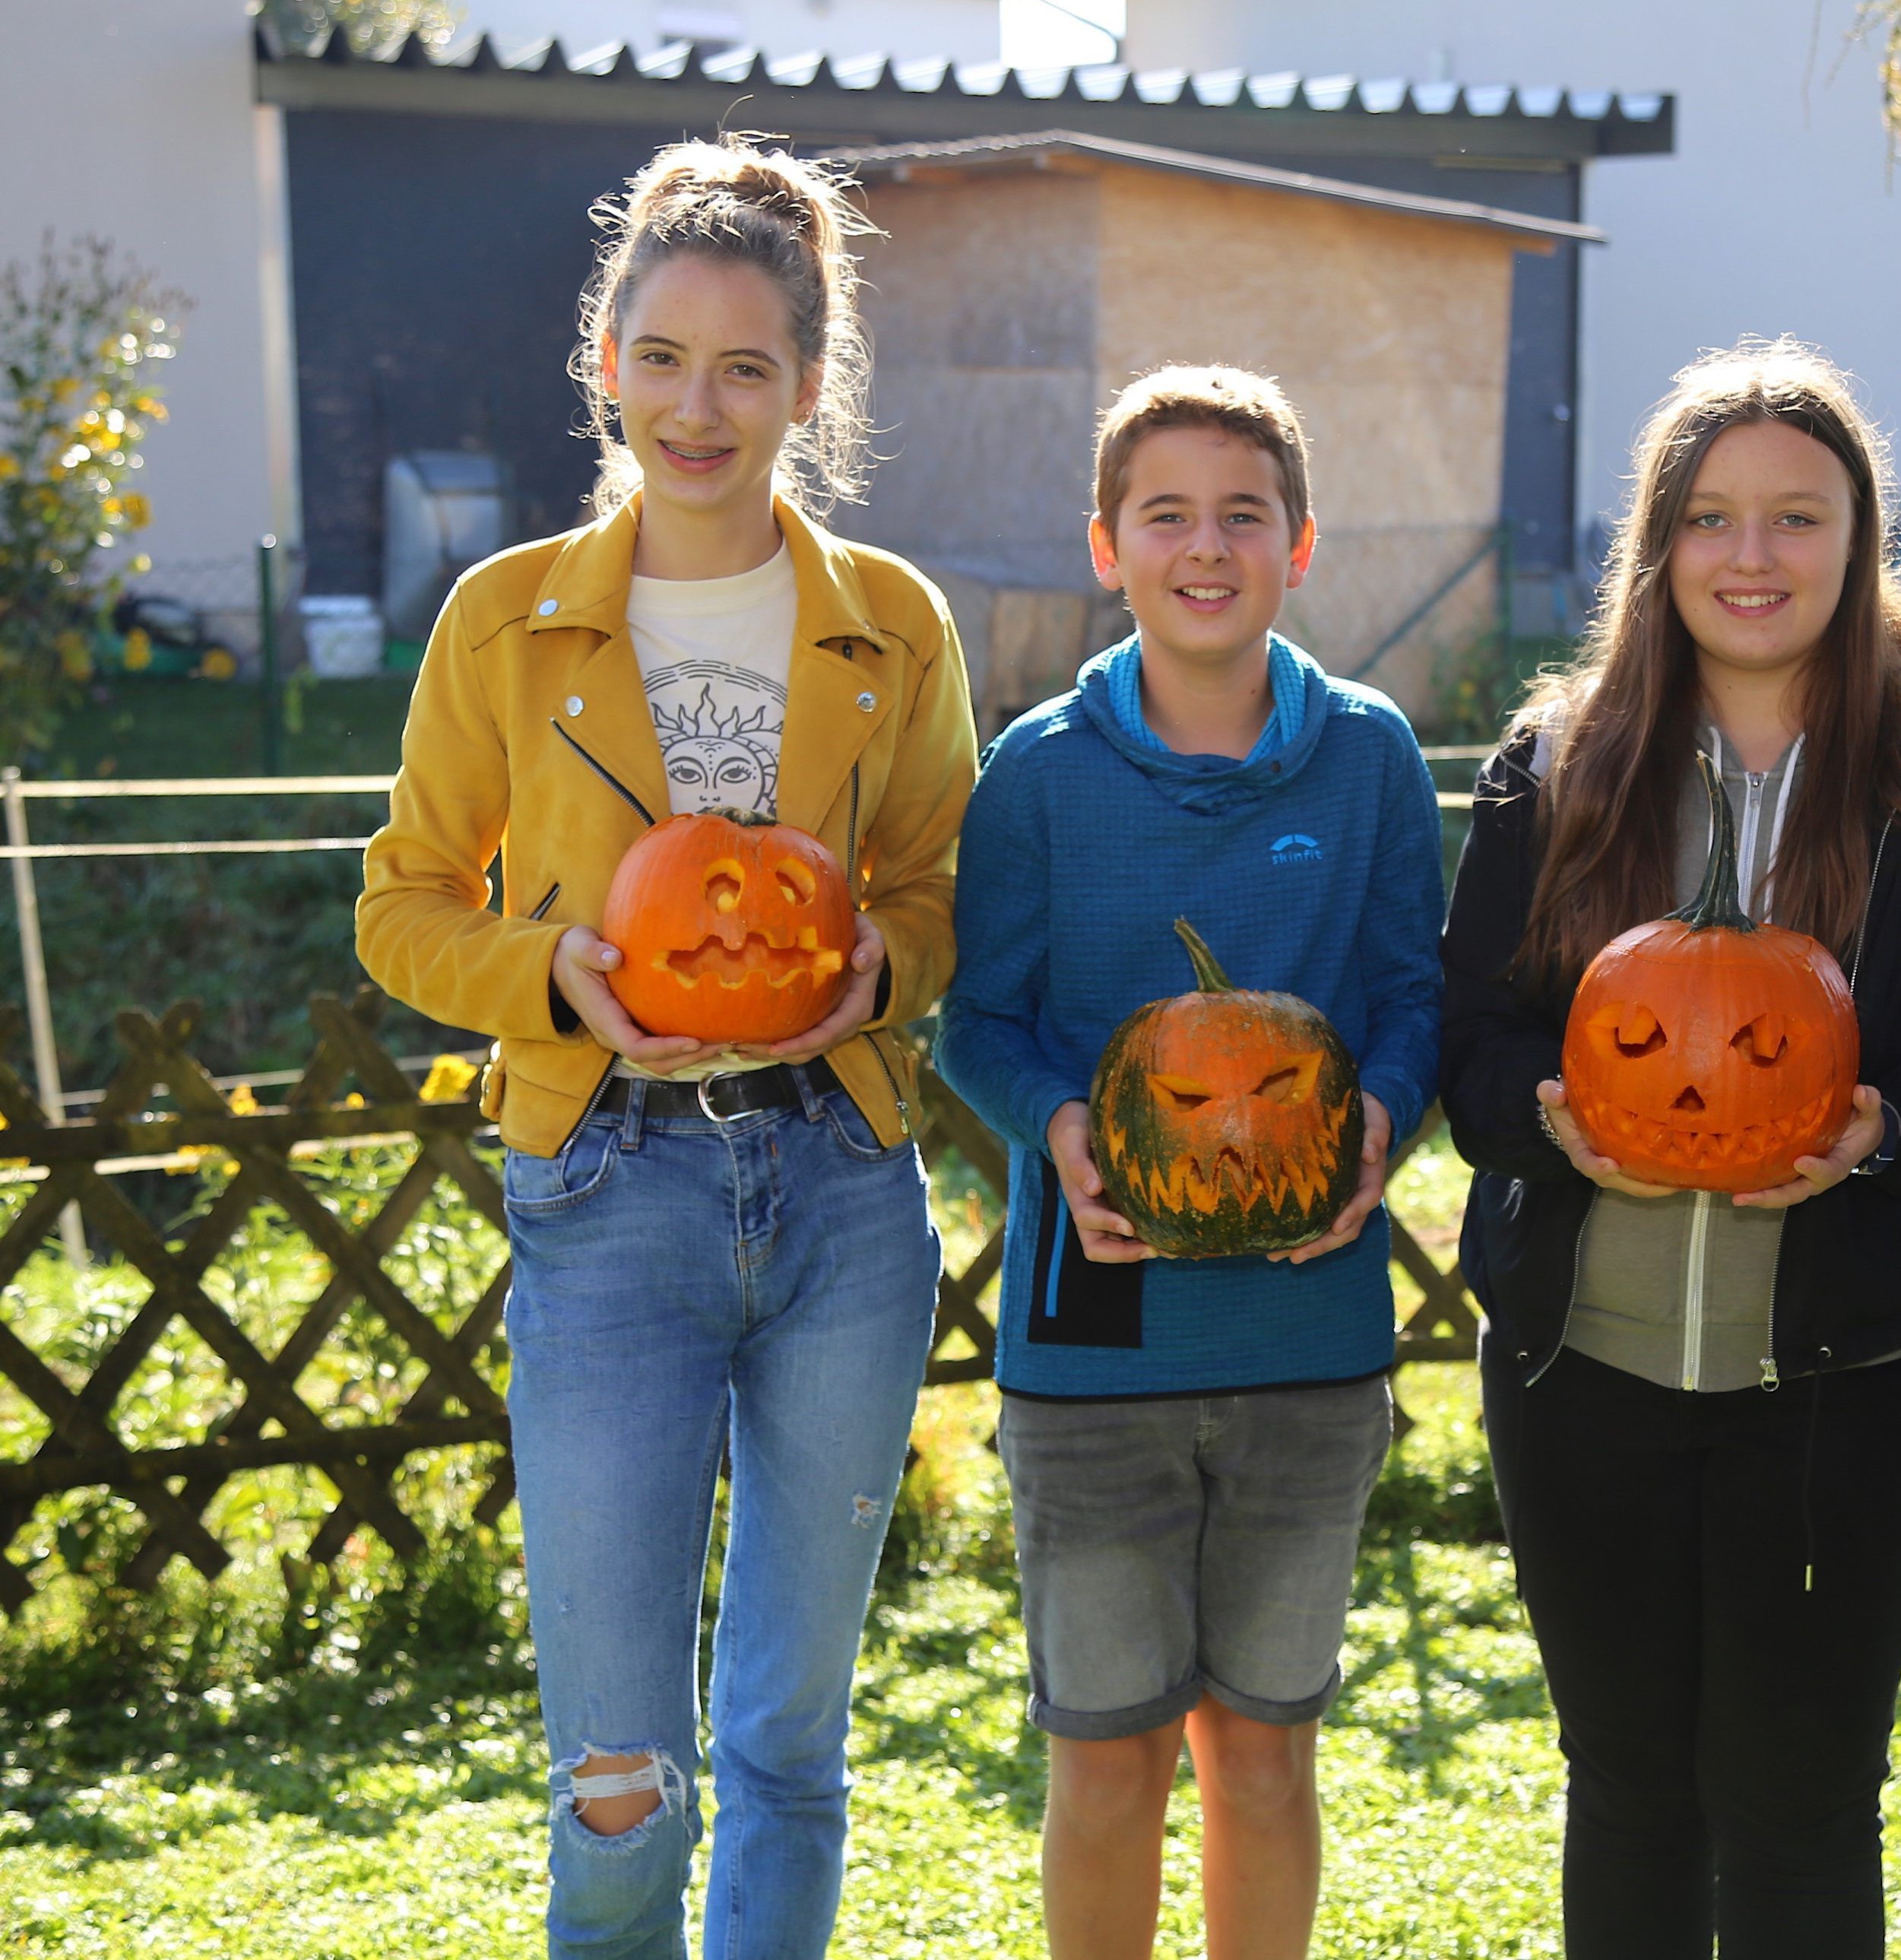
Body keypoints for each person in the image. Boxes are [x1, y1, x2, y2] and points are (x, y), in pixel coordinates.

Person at [356, 135, 975, 1958]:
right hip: (608, 1186)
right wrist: (552, 969)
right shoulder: (507, 618)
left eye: (747, 368)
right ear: (603, 364)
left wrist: (888, 967)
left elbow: (937, 888)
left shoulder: (893, 624)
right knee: (618, 1755)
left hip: (848, 1193)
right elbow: (399, 905)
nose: (698, 407)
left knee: (788, 1741)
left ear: (806, 386)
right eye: (663, 360)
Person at [1438, 339, 1901, 1958]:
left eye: (1798, 518)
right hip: (1583, 1374)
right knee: (1630, 1788)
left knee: (1797, 1806)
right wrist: (1564, 1129)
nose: (1752, 556)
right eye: (1714, 517)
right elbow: (1474, 1048)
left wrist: (1884, 1131)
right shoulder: (1562, 758)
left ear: (1862, 540)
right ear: (1659, 545)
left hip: (1850, 1385)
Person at [934, 364, 1444, 1960]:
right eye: (1167, 514)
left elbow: (1416, 995)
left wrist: (1379, 1122)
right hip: (1091, 1348)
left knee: (1268, 1753)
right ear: (1108, 544)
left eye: (1245, 514)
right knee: (1104, 1756)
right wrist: (1067, 1129)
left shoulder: (1368, 759)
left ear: (1302, 545)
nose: (1205, 547)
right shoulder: (1036, 774)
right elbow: (980, 1024)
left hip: (1311, 1339)